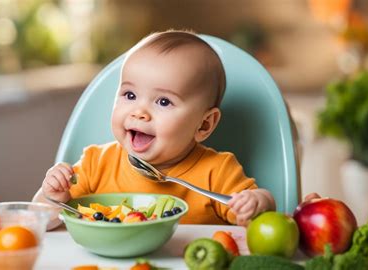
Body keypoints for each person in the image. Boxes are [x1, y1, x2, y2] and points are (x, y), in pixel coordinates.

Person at [33, 30, 276, 227]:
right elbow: (43, 220)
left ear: (204, 124)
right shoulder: (96, 163)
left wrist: (256, 203)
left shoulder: (218, 171)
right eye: (129, 94)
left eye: (163, 101)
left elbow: (260, 214)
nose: (139, 112)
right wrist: (54, 196)